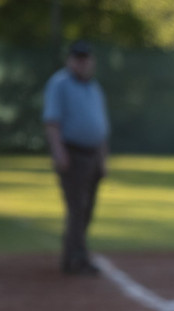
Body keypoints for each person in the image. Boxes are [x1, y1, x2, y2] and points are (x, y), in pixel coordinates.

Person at [43, 40, 110, 276]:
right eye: (78, 58)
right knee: (77, 208)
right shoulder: (59, 84)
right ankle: (74, 259)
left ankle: (77, 254)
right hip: (73, 154)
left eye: (86, 58)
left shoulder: (93, 87)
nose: (82, 62)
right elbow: (52, 122)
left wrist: (103, 158)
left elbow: (100, 127)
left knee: (88, 208)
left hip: (93, 155)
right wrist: (59, 153)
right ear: (70, 60)